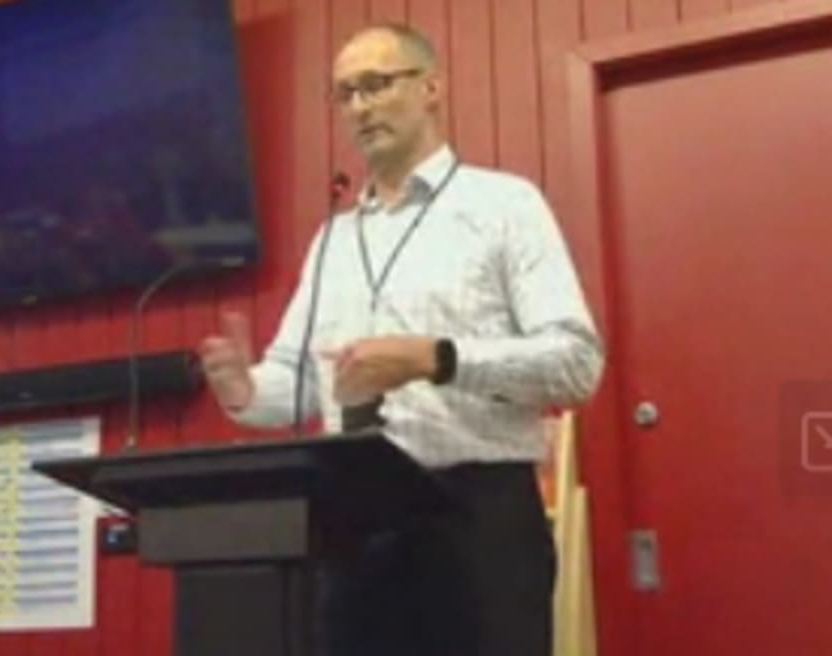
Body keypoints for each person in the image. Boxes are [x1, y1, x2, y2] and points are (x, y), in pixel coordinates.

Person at [199, 23, 604, 656]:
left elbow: (576, 362)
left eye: (377, 85)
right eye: (346, 94)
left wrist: (437, 358)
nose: (360, 106)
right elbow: (302, 381)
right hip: (357, 523)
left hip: (477, 517)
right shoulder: (333, 239)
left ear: (432, 87)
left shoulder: (503, 206)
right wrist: (248, 388)